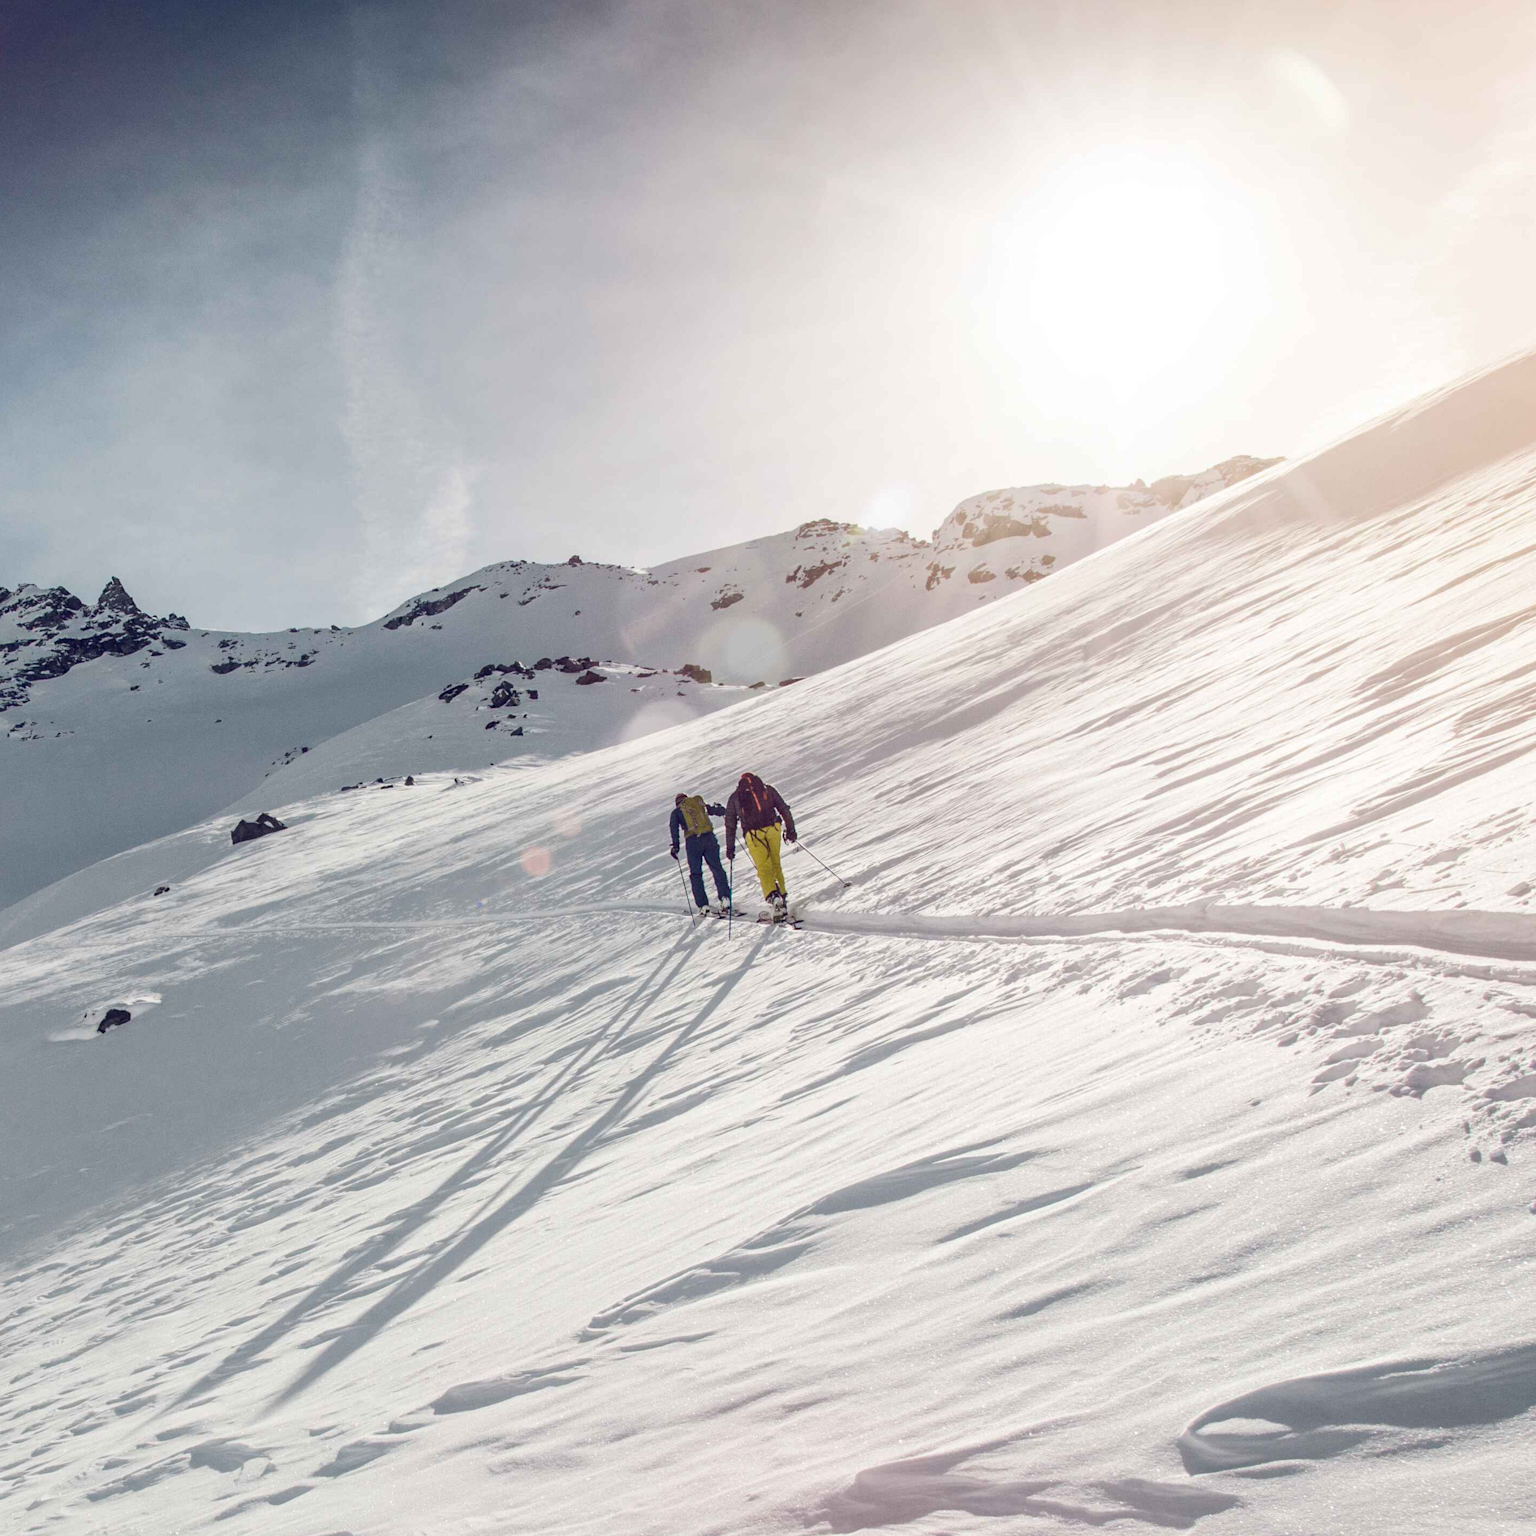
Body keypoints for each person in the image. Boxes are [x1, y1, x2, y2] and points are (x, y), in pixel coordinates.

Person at [724, 771, 796, 919]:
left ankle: (773, 897)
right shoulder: (766, 789)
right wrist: (791, 829)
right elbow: (783, 808)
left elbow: (730, 824)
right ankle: (782, 897)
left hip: (753, 834)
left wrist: (730, 847)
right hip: (773, 829)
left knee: (763, 866)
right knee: (775, 862)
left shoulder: (736, 797)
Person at [670, 792, 732, 915]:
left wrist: (675, 846)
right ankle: (725, 898)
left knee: (696, 874)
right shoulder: (697, 804)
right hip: (709, 838)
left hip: (693, 842)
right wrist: (722, 810)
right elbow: (712, 810)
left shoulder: (677, 812)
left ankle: (703, 905)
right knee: (717, 868)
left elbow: (674, 828)